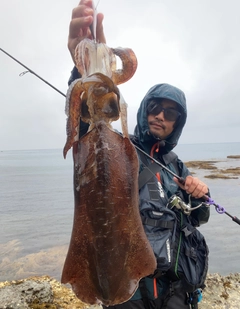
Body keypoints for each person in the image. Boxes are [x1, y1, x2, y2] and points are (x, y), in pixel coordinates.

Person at [67, 1, 210, 308]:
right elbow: (89, 127)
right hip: (131, 292)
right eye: (155, 107)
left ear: (178, 123)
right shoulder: (120, 150)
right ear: (145, 111)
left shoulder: (176, 167)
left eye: (170, 112)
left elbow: (197, 218)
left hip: (175, 293)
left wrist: (201, 195)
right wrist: (89, 68)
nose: (161, 115)